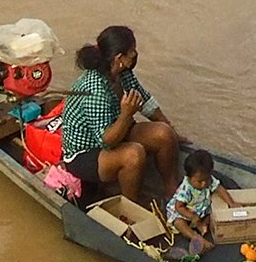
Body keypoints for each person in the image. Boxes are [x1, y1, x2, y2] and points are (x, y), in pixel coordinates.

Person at [57, 25, 183, 205]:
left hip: (114, 129)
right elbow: (107, 141)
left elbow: (144, 100)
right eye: (132, 51)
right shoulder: (95, 87)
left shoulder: (122, 72)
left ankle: (172, 191)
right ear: (119, 57)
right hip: (85, 153)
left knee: (164, 134)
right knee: (133, 154)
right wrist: (126, 115)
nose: (135, 54)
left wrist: (171, 129)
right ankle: (130, 206)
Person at [165, 148, 219, 249]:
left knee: (213, 213)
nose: (204, 184)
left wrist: (232, 203)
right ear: (189, 178)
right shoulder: (186, 189)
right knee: (179, 223)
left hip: (200, 209)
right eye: (200, 181)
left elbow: (219, 188)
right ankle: (196, 237)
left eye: (206, 179)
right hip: (184, 211)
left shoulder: (208, 180)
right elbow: (179, 207)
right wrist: (191, 216)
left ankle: (202, 225)